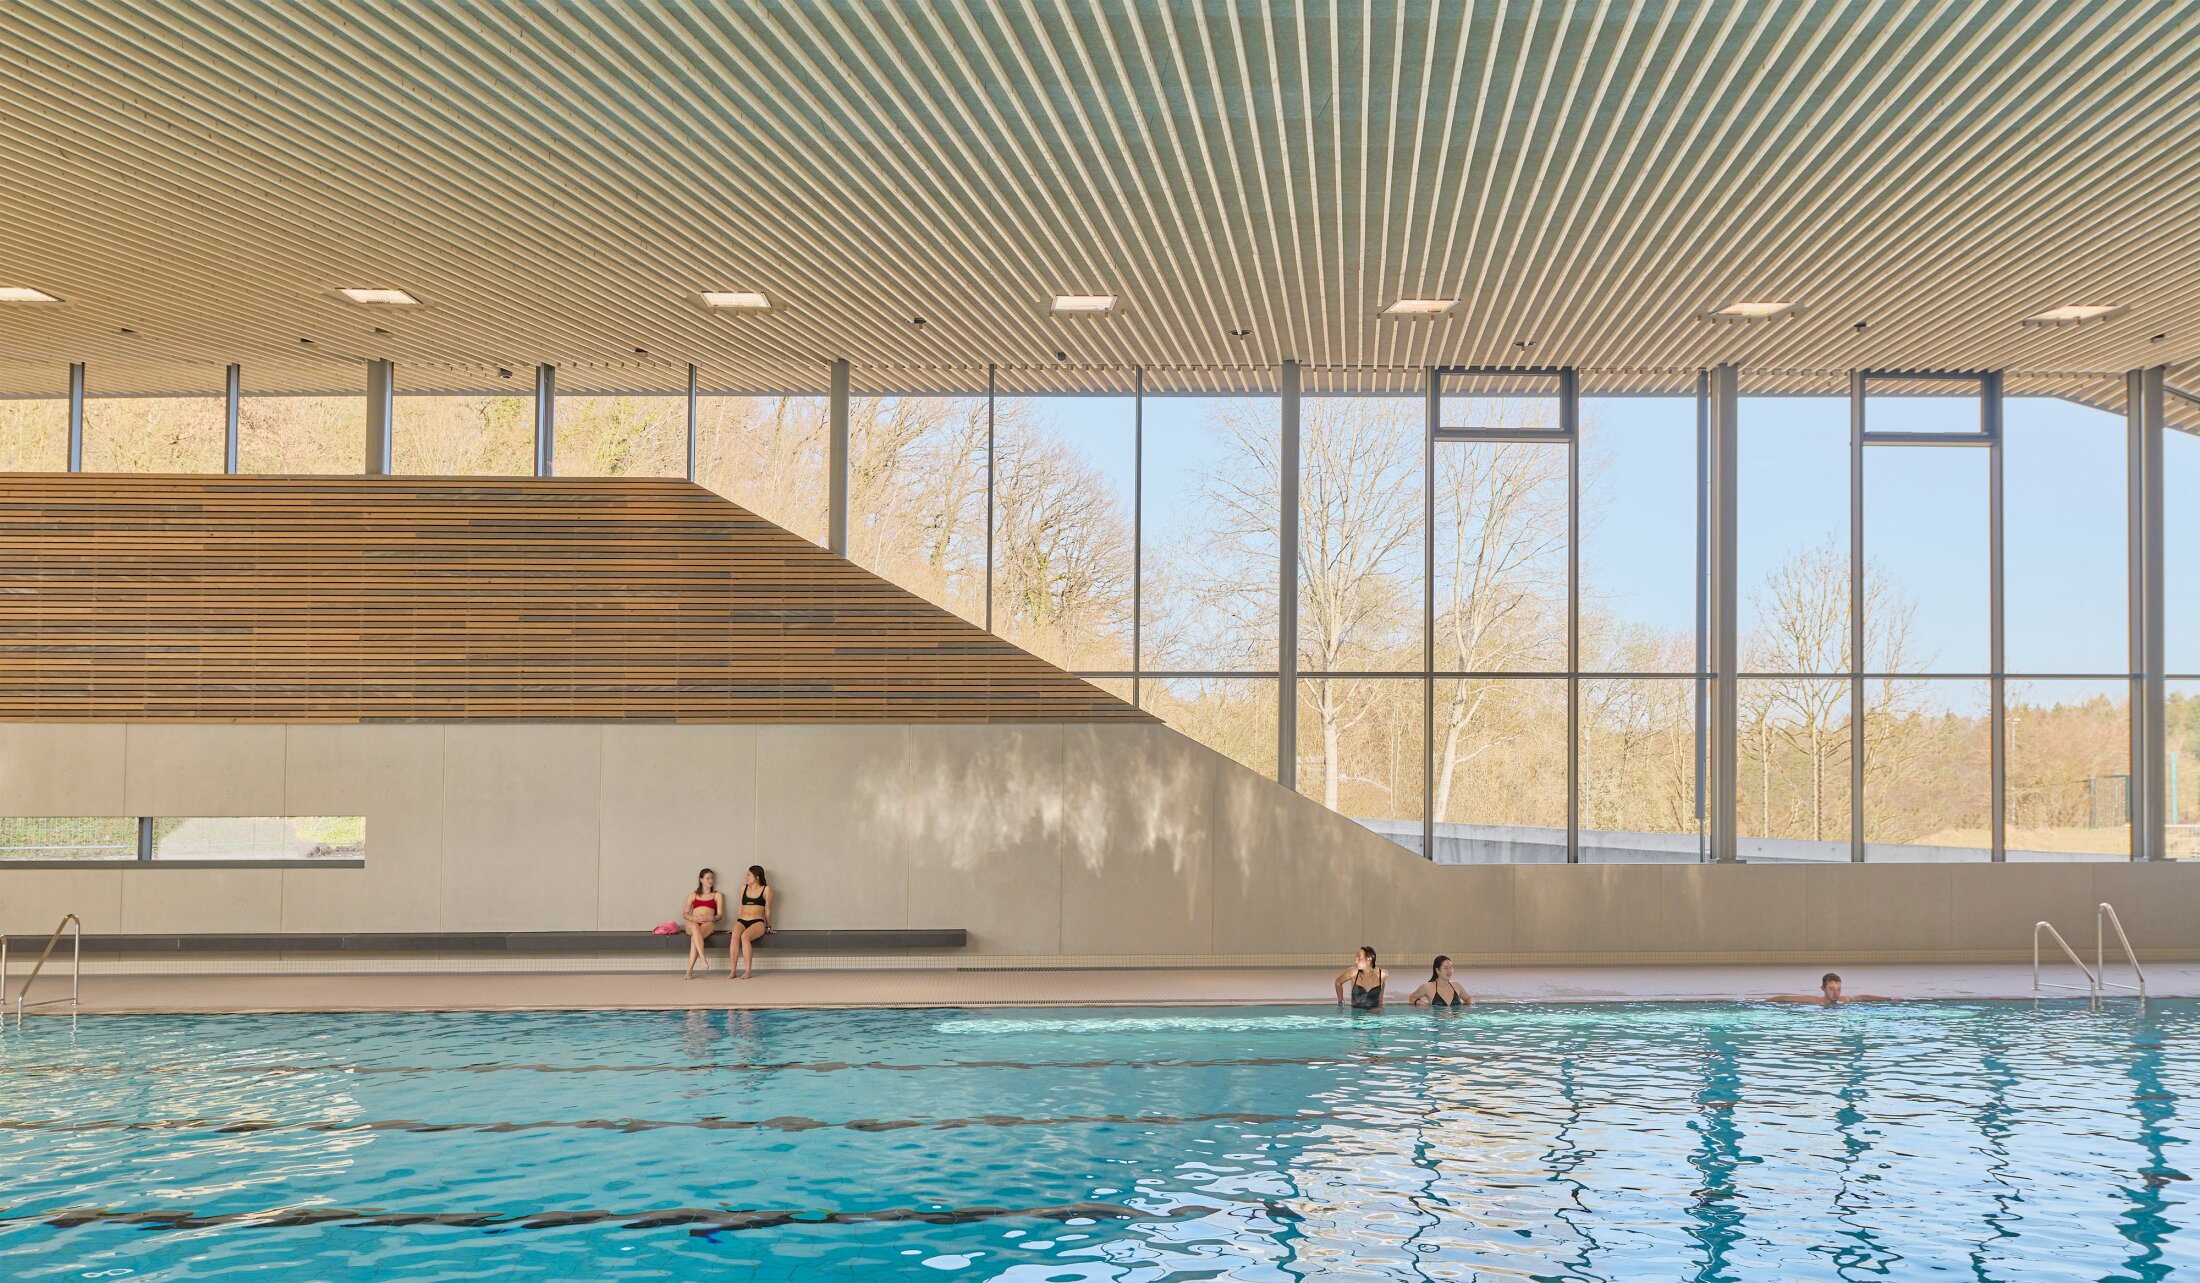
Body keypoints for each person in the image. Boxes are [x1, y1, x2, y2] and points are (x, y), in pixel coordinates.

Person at [728, 864, 773, 980]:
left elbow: (767, 909)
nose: (746, 877)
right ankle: (733, 970)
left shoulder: (766, 889)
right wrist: (736, 926)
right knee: (735, 935)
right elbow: (740, 907)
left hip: (757, 921)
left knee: (745, 937)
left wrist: (768, 926)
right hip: (741, 920)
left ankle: (748, 971)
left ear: (756, 877)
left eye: (748, 875)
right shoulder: (743, 888)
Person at [681, 868, 724, 980]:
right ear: (701, 880)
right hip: (693, 923)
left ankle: (689, 972)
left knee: (694, 937)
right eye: (708, 878)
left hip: (708, 923)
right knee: (695, 928)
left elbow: (720, 915)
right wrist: (693, 918)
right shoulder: (693, 895)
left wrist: (710, 918)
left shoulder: (717, 895)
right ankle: (703, 958)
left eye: (712, 878)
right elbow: (685, 914)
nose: (711, 881)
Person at [1768, 972, 1896, 1006]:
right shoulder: (1815, 1001)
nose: (1836, 993)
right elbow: (1784, 998)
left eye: (1839, 989)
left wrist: (1889, 999)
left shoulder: (1844, 999)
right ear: (1823, 988)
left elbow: (1864, 997)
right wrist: (1763, 1002)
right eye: (1832, 989)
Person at [1333, 946, 1388, 1010]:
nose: (1356, 961)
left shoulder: (1382, 974)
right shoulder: (1353, 972)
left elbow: (1382, 984)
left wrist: (1380, 1003)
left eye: (1359, 958)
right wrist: (1340, 1003)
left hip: (1375, 1014)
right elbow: (1338, 982)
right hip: (1357, 1014)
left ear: (1369, 958)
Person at [1408, 955, 1472, 1007]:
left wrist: (1463, 1009)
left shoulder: (1456, 985)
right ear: (1437, 970)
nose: (1449, 971)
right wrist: (1424, 1004)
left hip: (1456, 1019)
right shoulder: (1427, 987)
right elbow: (1412, 998)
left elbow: (1468, 999)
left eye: (1451, 967)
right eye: (1446, 968)